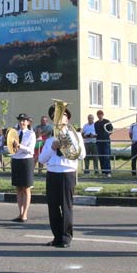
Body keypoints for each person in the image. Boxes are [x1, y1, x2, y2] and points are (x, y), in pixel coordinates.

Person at [39, 104, 85, 248]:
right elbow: (41, 159)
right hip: (52, 173)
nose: (58, 118)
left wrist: (66, 144)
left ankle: (66, 237)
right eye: (55, 117)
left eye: (61, 115)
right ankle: (57, 237)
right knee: (53, 207)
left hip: (67, 173)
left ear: (67, 118)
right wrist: (52, 148)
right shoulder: (49, 140)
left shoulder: (76, 135)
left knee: (66, 207)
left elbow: (82, 155)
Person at [10, 113, 36, 222]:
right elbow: (10, 147)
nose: (22, 122)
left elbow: (31, 150)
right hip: (16, 160)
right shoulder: (15, 133)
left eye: (24, 120)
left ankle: (25, 214)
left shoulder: (31, 134)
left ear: (28, 122)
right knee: (18, 188)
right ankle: (20, 213)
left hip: (26, 161)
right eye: (20, 120)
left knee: (26, 188)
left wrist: (20, 145)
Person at [94, 110, 113, 177]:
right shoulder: (96, 123)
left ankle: (108, 172)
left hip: (105, 141)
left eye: (100, 114)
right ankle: (103, 171)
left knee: (106, 156)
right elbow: (96, 132)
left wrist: (106, 135)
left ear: (102, 115)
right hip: (99, 142)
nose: (99, 115)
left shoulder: (107, 122)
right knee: (101, 157)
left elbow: (111, 130)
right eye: (98, 114)